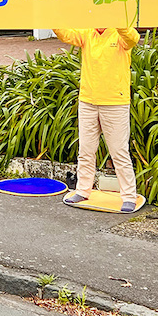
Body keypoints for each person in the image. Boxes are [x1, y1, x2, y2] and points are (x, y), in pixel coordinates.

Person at [53, 27, 140, 213]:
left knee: (119, 152)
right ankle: (83, 190)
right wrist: (52, 18)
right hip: (88, 101)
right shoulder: (87, 33)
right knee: (86, 150)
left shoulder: (120, 33)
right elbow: (65, 34)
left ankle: (129, 196)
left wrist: (118, 19)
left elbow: (132, 38)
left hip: (115, 102)